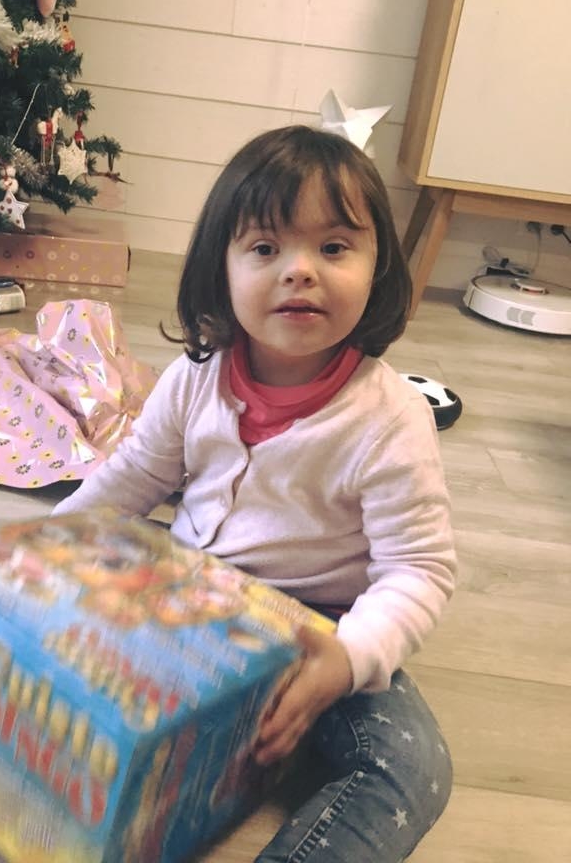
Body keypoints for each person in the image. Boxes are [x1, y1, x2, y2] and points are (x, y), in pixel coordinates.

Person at [53, 125, 456, 862]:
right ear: (222, 267)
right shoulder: (193, 378)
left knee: (409, 766)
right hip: (185, 594)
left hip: (315, 629)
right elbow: (131, 481)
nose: (299, 271)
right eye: (266, 247)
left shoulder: (393, 418)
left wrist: (348, 658)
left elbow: (418, 570)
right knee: (60, 655)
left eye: (333, 247)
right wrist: (42, 544)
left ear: (378, 270)